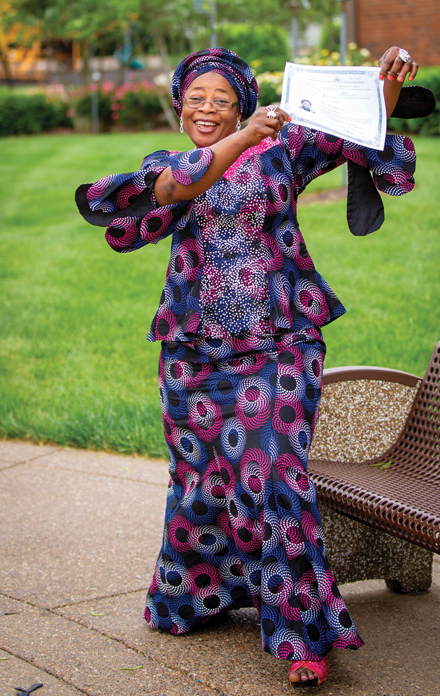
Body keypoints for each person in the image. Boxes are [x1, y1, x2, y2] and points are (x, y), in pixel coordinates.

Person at [76, 45, 418, 688]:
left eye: (222, 100)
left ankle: (302, 636)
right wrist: (241, 140)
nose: (208, 109)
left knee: (276, 480)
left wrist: (383, 83)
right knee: (199, 481)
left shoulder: (283, 151)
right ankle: (195, 596)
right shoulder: (168, 165)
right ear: (180, 110)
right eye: (196, 99)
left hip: (279, 342)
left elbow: (357, 128)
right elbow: (181, 187)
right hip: (194, 354)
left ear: (244, 106)